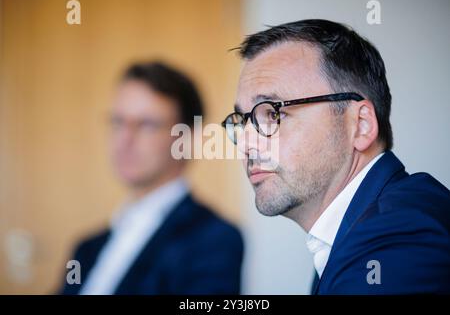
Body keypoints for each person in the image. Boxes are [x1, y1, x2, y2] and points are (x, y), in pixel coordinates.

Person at [222, 19, 450, 294]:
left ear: (361, 125)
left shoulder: (398, 239)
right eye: (242, 121)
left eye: (272, 113)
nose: (245, 142)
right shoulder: (357, 231)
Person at [61, 61, 243, 295]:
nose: (124, 139)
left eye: (146, 124)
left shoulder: (215, 240)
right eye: (118, 122)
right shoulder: (86, 248)